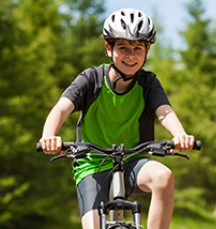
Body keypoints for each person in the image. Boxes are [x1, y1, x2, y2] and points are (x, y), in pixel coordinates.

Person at [40, 8, 195, 229]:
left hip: (132, 163)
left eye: (138, 48)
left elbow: (164, 111)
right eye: (122, 47)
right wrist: (49, 136)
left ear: (147, 49)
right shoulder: (91, 79)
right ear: (108, 48)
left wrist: (180, 135)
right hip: (92, 166)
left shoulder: (148, 83)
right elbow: (61, 109)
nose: (130, 55)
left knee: (164, 177)